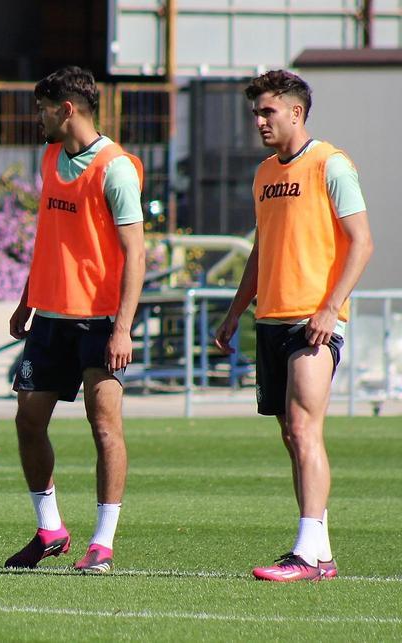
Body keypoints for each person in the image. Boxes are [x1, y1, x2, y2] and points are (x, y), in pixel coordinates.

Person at [215, 70, 372, 582]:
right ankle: (320, 553)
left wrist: (331, 307)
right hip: (272, 318)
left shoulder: (332, 164)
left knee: (305, 429)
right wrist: (237, 310)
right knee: (291, 434)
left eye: (268, 112)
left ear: (296, 113)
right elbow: (262, 249)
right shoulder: (264, 174)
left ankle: (305, 554)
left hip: (313, 322)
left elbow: (362, 242)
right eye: (256, 112)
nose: (258, 121)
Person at [5, 66, 145, 574]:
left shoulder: (116, 168)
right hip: (50, 320)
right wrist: (27, 300)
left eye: (43, 108)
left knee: (104, 426)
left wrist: (124, 328)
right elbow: (51, 239)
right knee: (28, 421)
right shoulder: (49, 157)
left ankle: (102, 543)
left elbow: (136, 254)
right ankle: (50, 529)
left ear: (67, 109)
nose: (37, 118)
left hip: (101, 321)